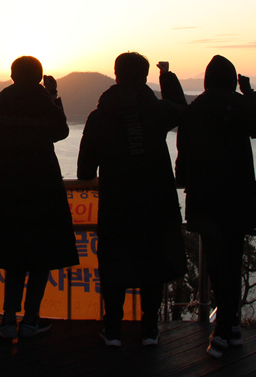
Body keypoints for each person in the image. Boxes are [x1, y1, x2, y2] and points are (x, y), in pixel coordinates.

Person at [77, 52, 187, 347]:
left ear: (116, 74)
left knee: (114, 264)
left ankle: (112, 328)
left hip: (116, 205)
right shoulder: (157, 111)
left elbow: (85, 172)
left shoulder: (100, 117)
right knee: (153, 263)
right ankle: (149, 328)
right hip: (156, 203)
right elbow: (181, 111)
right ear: (145, 76)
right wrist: (168, 78)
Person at [175, 55, 256, 358]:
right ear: (232, 80)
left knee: (217, 265)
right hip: (237, 198)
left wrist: (183, 178)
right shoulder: (239, 105)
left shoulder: (194, 109)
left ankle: (225, 329)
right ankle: (229, 327)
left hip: (205, 198)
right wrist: (250, 93)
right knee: (231, 261)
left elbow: (183, 152)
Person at [0, 55, 79, 339]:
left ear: (12, 76)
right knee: (41, 256)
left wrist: (4, 170)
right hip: (44, 190)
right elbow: (61, 132)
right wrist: (53, 95)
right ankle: (31, 319)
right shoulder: (45, 105)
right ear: (39, 77)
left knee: (13, 257)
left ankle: (8, 319)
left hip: (8, 191)